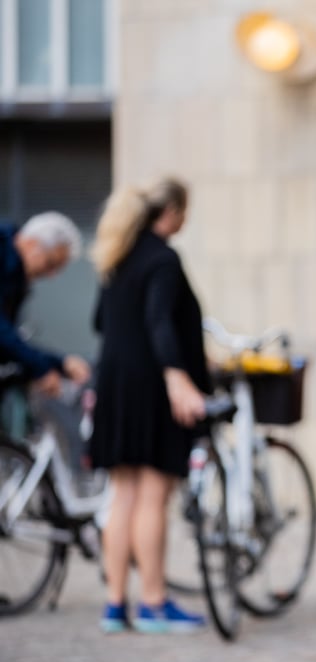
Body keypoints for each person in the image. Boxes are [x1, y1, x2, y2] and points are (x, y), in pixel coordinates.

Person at [89, 177, 210, 634]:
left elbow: (99, 321)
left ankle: (115, 604)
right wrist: (178, 376)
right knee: (153, 496)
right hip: (151, 389)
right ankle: (154, 603)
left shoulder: (117, 257)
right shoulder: (162, 259)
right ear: (172, 212)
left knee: (123, 494)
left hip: (115, 385)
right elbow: (160, 322)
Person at [0, 211, 91, 403]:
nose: (50, 275)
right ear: (30, 243)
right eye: (50, 263)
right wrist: (42, 367)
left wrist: (58, 364)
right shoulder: (7, 268)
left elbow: (9, 341)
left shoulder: (13, 275)